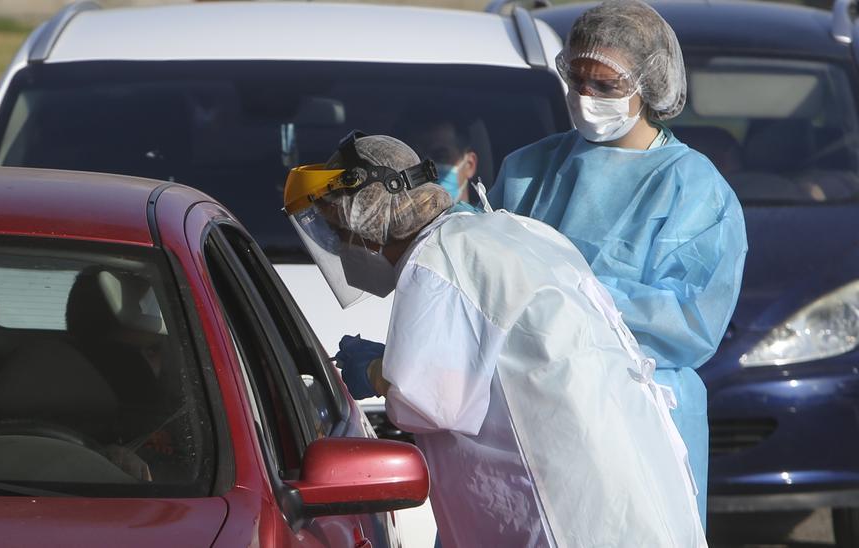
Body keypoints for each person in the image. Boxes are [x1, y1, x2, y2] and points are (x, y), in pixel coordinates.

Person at [284, 132, 705, 546]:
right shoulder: (502, 233)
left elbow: (430, 400)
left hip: (571, 515)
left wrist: (377, 371)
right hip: (634, 496)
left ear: (371, 220)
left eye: (340, 233)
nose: (341, 248)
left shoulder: (438, 260)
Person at [487, 0, 748, 521]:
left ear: (649, 88)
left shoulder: (694, 190)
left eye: (604, 86)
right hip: (529, 408)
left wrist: (570, 294)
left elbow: (690, 322)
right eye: (576, 80)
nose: (585, 97)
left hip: (636, 418)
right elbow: (485, 281)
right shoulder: (528, 170)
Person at [401, 113, 480, 203]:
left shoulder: (493, 217)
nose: (424, 170)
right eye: (416, 157)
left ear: (470, 165)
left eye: (440, 157)